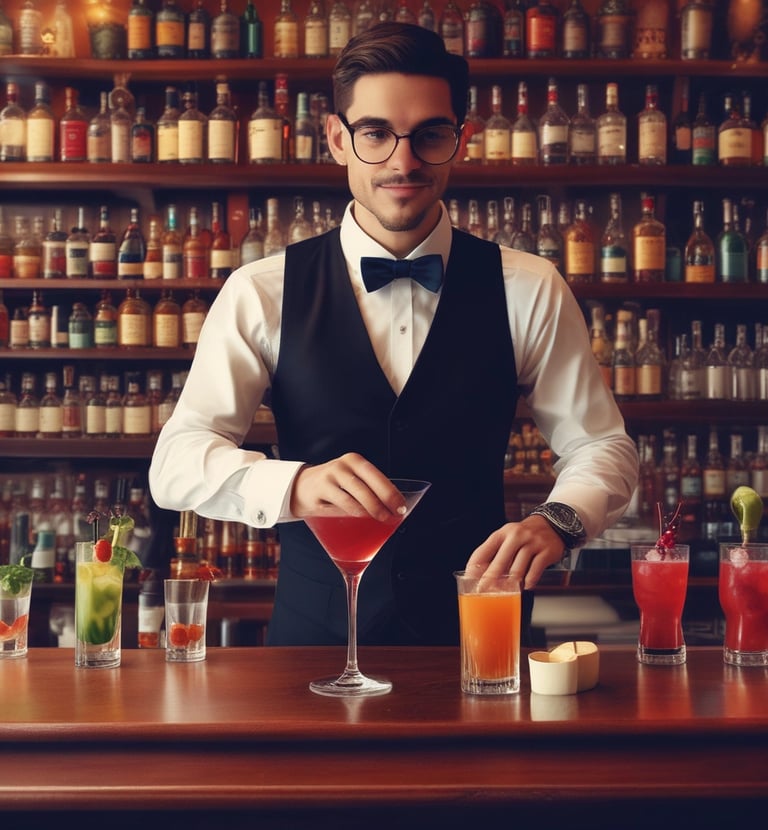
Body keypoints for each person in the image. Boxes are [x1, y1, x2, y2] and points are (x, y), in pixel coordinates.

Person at [149, 22, 638, 647]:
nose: (402, 162)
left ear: (461, 139)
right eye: (376, 133)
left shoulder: (529, 285)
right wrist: (293, 484)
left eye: (430, 134)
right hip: (312, 643)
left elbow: (602, 444)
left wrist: (558, 522)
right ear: (336, 139)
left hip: (479, 637)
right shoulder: (261, 290)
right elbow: (176, 463)